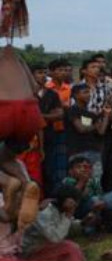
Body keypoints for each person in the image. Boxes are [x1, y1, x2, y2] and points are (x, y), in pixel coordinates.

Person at [19, 185, 86, 261]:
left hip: (45, 246)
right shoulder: (45, 213)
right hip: (31, 250)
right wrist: (68, 215)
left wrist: (83, 223)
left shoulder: (60, 210)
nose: (76, 205)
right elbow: (55, 237)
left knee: (74, 249)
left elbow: (67, 226)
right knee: (72, 250)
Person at [65, 83, 111, 186]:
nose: (88, 95)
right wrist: (95, 126)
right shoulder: (72, 110)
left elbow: (101, 131)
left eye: (89, 92)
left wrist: (106, 116)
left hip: (94, 151)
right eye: (85, 92)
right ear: (76, 95)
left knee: (95, 183)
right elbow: (81, 128)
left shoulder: (91, 114)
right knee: (77, 182)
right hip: (78, 152)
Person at [33, 63, 64, 195]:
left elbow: (59, 114)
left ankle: (47, 199)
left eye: (45, 72)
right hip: (28, 138)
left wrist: (39, 116)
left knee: (49, 170)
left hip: (49, 136)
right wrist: (47, 116)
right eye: (40, 72)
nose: (44, 76)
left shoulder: (52, 94)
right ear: (31, 75)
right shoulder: (26, 93)